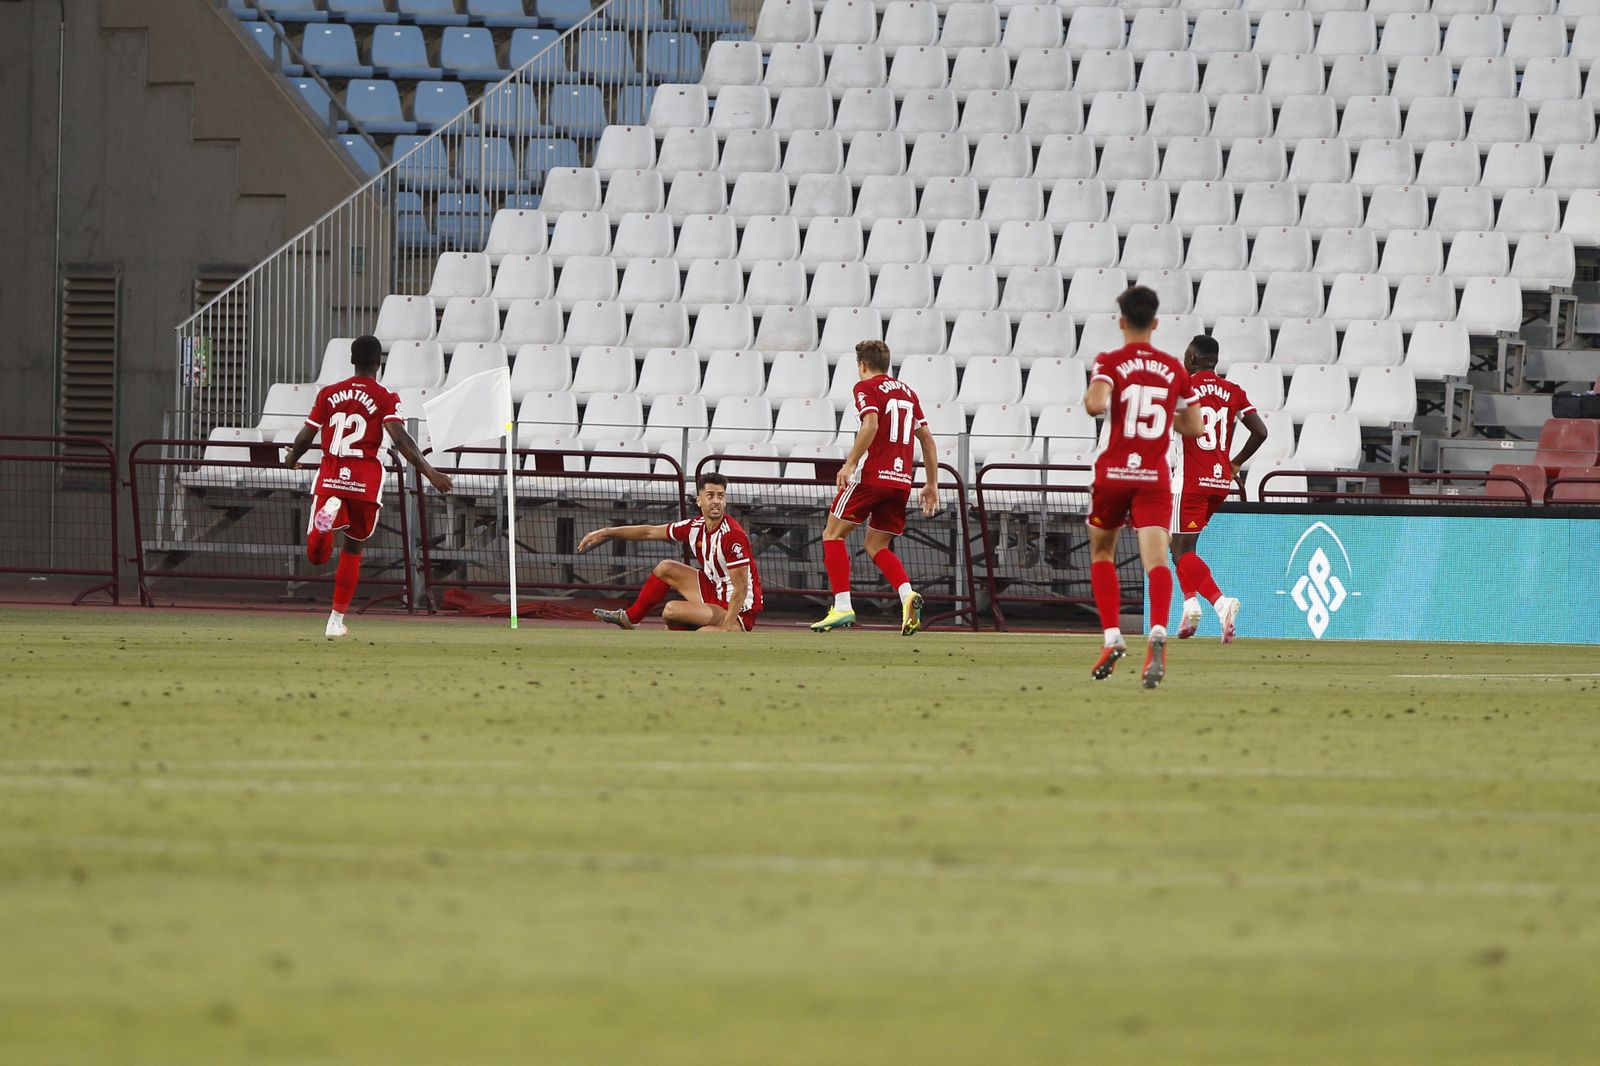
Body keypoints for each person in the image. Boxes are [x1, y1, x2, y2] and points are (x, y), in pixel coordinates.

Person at [282, 335, 453, 639]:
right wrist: (429, 471)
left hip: (332, 478)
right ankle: (335, 621)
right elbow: (400, 439)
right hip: (365, 482)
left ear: (352, 360)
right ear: (379, 362)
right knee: (353, 549)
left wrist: (291, 459)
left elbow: (307, 436)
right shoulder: (386, 397)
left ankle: (323, 527)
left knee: (317, 556)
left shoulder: (329, 394)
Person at [1082, 286, 1202, 688]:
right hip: (1154, 476)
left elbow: (1095, 404)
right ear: (1155, 322)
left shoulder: (1110, 361)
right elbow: (1196, 426)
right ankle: (1158, 632)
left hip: (1113, 473)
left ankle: (1113, 636)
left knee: (1102, 551)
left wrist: (1102, 393)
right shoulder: (1174, 369)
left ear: (1121, 322)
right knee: (1157, 561)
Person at [811, 339, 940, 636]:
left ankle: (842, 605)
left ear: (862, 365)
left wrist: (850, 463)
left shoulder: (865, 388)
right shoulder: (908, 392)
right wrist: (931, 483)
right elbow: (928, 441)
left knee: (832, 534)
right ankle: (907, 595)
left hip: (871, 476)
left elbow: (870, 425)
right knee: (876, 545)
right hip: (901, 481)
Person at [1168, 334, 1269, 644]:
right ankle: (1190, 606)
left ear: (1195, 359)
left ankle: (1219, 602)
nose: (1185, 360)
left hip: (1190, 481)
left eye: (1187, 356)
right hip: (1218, 482)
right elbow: (1260, 431)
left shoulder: (1184, 388)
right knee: (1184, 549)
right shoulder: (1233, 391)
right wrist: (1235, 463)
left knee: (1177, 548)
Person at [581, 472, 762, 633]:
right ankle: (630, 618)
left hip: (738, 608)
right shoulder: (695, 526)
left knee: (671, 612)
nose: (716, 501)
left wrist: (725, 629)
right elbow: (649, 531)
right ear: (699, 500)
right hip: (714, 590)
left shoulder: (732, 536)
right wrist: (606, 532)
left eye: (720, 496)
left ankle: (727, 627)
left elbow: (742, 588)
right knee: (666, 568)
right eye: (710, 495)